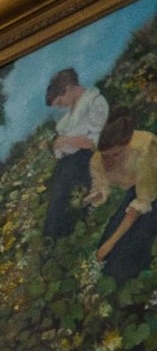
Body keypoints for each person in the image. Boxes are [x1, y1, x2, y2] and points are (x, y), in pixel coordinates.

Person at [87, 111, 157, 282]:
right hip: (137, 193)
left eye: (116, 154)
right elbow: (100, 183)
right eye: (105, 155)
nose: (109, 161)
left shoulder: (143, 149)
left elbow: (141, 203)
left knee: (123, 259)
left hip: (151, 194)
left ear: (126, 144)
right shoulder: (100, 155)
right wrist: (97, 195)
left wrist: (110, 243)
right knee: (104, 253)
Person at [44, 68, 109, 241]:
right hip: (71, 160)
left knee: (66, 193)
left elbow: (93, 142)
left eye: (60, 101)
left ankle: (63, 233)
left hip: (88, 157)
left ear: (68, 88)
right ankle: (56, 234)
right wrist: (61, 144)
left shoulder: (95, 102)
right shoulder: (73, 110)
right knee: (58, 193)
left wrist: (65, 141)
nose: (61, 106)